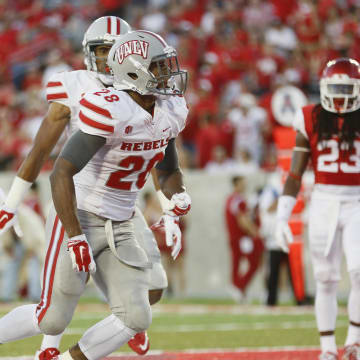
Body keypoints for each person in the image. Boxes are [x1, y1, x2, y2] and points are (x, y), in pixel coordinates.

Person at [0, 29, 190, 360]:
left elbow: (168, 170)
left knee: (137, 316)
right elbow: (60, 171)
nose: (167, 74)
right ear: (135, 72)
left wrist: (175, 201)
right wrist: (74, 236)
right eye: (158, 67)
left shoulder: (170, 109)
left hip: (123, 219)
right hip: (79, 213)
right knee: (52, 317)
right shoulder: (109, 108)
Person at [275, 58, 360, 360]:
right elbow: (296, 173)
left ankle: (354, 340)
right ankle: (326, 348)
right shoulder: (309, 116)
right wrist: (282, 216)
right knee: (325, 278)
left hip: (358, 200)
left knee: (359, 270)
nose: (339, 95)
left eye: (345, 88)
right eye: (334, 88)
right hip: (324, 200)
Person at [225, 175, 263, 301]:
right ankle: (238, 286)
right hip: (242, 238)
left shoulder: (230, 199)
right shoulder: (239, 200)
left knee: (236, 262)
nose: (245, 185)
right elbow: (242, 219)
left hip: (234, 236)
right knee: (253, 263)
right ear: (236, 184)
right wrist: (254, 231)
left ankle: (238, 287)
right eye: (242, 183)